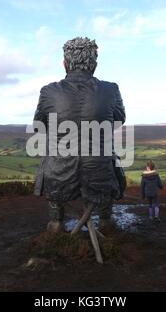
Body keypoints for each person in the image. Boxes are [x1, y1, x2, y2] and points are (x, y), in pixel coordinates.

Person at [33, 37, 126, 233]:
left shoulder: (48, 91)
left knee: (49, 158)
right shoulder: (111, 89)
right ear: (94, 64)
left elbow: (39, 127)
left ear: (65, 63)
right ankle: (106, 220)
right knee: (110, 158)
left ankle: (56, 222)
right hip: (100, 172)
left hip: (59, 174)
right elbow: (119, 119)